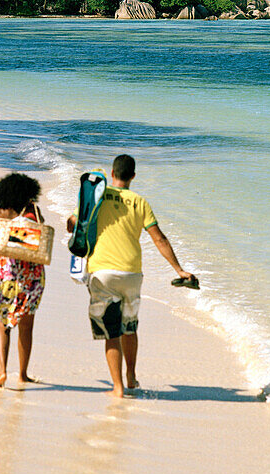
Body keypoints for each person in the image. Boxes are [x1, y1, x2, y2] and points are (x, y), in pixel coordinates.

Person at [67, 154, 196, 397]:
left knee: (111, 332)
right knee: (129, 326)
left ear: (112, 173)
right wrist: (179, 270)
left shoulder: (98, 195)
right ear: (133, 176)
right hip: (132, 274)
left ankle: (117, 388)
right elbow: (159, 238)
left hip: (102, 273)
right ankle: (131, 376)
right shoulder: (140, 202)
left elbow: (74, 222)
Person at [0, 172, 45, 388]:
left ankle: (1, 372)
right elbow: (40, 235)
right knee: (26, 327)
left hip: (3, 275)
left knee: (3, 325)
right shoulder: (32, 213)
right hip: (30, 276)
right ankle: (23, 374)